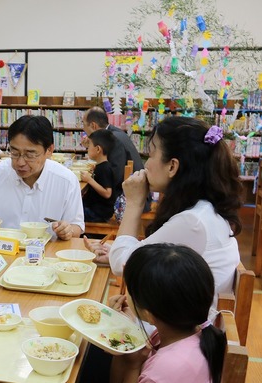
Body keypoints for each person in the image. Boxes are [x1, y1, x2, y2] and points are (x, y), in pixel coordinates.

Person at [60, 243, 226, 383]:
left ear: (147, 312)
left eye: (129, 288)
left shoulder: (172, 369)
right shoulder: (185, 333)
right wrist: (124, 335)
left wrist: (133, 366)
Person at [85, 117, 243, 317]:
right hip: (180, 321)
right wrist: (115, 252)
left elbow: (121, 264)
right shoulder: (204, 211)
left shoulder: (193, 222)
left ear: (172, 166)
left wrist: (134, 203)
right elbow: (136, 257)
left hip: (183, 338)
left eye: (151, 154)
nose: (146, 164)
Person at [0, 115, 84, 239]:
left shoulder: (66, 180)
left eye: (30, 154)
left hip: (46, 256)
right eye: (14, 152)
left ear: (49, 150)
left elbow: (77, 226)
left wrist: (68, 230)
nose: (20, 162)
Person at [82, 107, 144, 188]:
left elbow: (114, 177)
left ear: (93, 125)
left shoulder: (113, 139)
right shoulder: (112, 133)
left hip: (131, 192)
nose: (83, 129)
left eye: (84, 124)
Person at [81, 129, 118, 222]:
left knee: (71, 212)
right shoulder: (100, 166)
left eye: (89, 146)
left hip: (98, 213)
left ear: (98, 149)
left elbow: (107, 193)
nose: (87, 148)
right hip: (95, 208)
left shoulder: (105, 168)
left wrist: (89, 180)